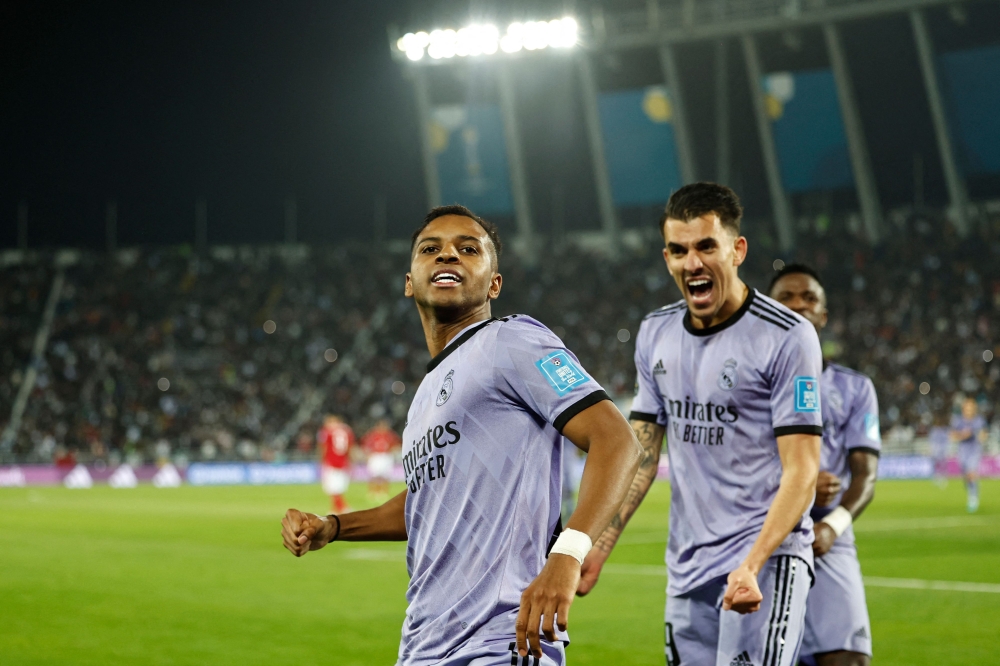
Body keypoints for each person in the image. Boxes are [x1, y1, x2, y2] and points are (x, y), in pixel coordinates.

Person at [281, 205, 642, 666]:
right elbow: (426, 506)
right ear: (409, 281)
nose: (447, 255)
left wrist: (567, 554)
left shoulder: (511, 341)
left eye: (468, 249)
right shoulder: (423, 400)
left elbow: (617, 440)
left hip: (500, 639)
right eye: (430, 249)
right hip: (423, 644)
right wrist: (333, 528)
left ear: (494, 283)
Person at [578, 183, 823, 666]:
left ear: (737, 250)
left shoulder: (787, 337)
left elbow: (803, 470)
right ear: (666, 257)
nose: (692, 263)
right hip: (688, 567)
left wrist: (752, 565)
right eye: (679, 250)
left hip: (766, 559)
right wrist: (599, 544)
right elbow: (642, 455)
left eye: (706, 246)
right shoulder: (656, 332)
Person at [769, 264, 880, 666]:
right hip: (758, 536)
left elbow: (866, 474)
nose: (799, 305)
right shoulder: (746, 386)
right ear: (767, 308)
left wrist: (833, 526)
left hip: (825, 538)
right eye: (786, 297)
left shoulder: (855, 388)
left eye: (809, 298)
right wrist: (796, 487)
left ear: (823, 315)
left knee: (849, 659)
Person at [950, 397, 987, 513]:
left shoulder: (979, 420)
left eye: (971, 408)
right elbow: (952, 435)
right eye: (967, 408)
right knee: (966, 476)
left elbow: (983, 433)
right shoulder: (958, 421)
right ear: (963, 409)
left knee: (971, 472)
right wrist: (963, 435)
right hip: (963, 450)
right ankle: (972, 488)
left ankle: (973, 498)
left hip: (974, 449)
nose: (969, 410)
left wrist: (981, 437)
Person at [318, 415, 354, 514]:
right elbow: (350, 448)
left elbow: (324, 448)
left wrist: (321, 460)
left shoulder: (327, 432)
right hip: (343, 462)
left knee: (333, 488)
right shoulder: (347, 431)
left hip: (331, 462)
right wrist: (350, 461)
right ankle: (334, 509)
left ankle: (344, 508)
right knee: (337, 487)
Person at [361, 419, 400, 500]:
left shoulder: (390, 435)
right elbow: (366, 445)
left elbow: (396, 444)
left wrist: (392, 452)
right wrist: (368, 455)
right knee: (374, 475)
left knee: (385, 475)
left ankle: (383, 492)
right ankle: (373, 491)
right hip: (375, 455)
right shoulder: (372, 435)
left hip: (386, 455)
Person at [928, 414, 951, 488]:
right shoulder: (934, 431)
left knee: (942, 464)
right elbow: (931, 441)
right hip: (936, 450)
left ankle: (943, 477)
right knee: (936, 465)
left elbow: (946, 440)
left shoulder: (943, 430)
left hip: (942, 450)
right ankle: (937, 477)